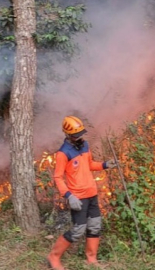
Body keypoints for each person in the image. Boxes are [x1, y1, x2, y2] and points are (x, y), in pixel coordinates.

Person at [47, 115, 118, 270]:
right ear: (67, 134)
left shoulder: (85, 146)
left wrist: (105, 164)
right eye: (76, 135)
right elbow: (58, 177)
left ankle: (91, 259)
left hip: (92, 194)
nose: (80, 137)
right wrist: (68, 196)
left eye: (81, 134)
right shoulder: (62, 153)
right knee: (78, 229)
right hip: (77, 198)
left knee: (95, 226)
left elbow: (90, 164)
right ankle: (54, 257)